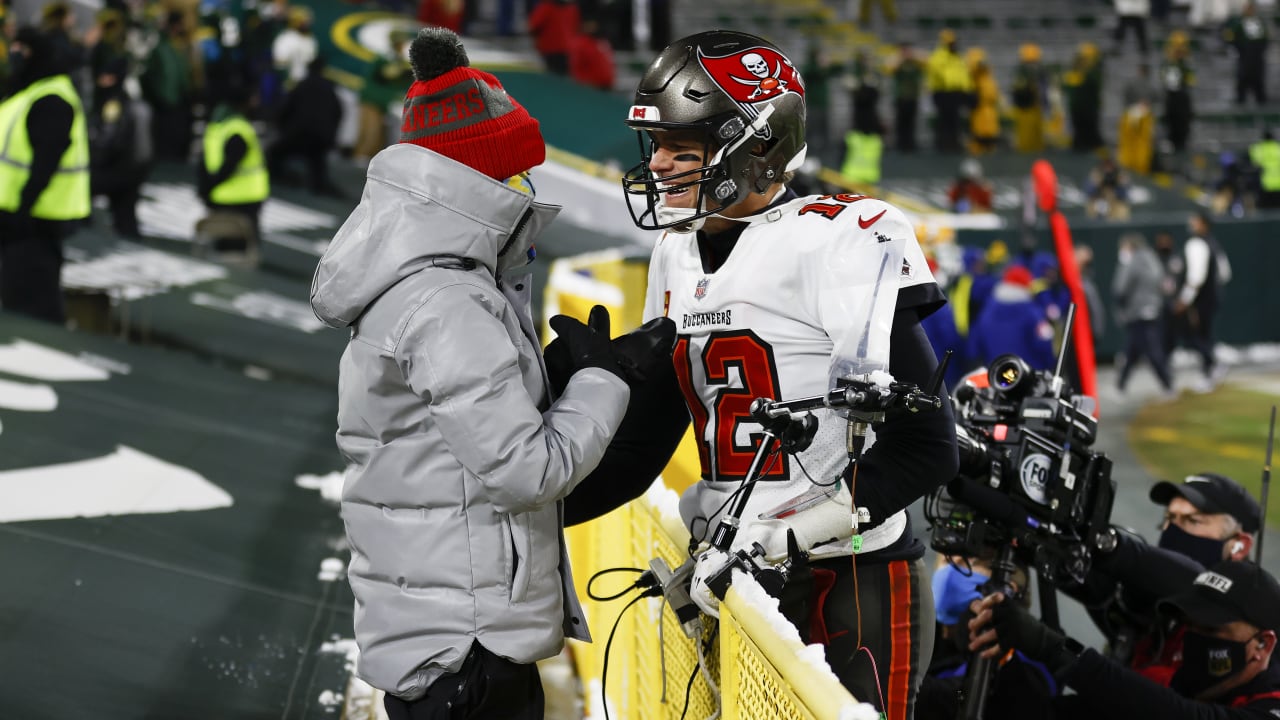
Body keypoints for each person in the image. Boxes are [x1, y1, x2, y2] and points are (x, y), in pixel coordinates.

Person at [310, 27, 667, 719]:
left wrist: (555, 382)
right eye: (513, 174)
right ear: (472, 184)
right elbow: (528, 471)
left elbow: (459, 443)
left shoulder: (425, 281)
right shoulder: (449, 300)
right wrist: (605, 380)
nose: (525, 189)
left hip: (438, 633)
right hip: (465, 648)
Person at [620, 30, 960, 718]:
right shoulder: (676, 254)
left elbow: (930, 447)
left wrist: (785, 537)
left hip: (850, 580)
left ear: (759, 149)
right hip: (734, 574)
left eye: (681, 150)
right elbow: (654, 432)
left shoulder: (838, 239)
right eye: (655, 146)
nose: (657, 166)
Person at [968, 560, 1280, 718]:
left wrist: (1047, 645)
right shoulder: (1185, 683)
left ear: (1262, 645)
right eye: (1190, 625)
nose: (1194, 639)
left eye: (1211, 630)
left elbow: (1177, 716)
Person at [0, 27, 90, 324]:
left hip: (34, 222)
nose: (16, 55)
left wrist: (24, 207)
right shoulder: (29, 90)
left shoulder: (51, 98)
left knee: (31, 307)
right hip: (16, 218)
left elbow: (46, 159)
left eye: (22, 49)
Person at [198, 86, 269, 249]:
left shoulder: (218, 126)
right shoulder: (239, 129)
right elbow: (229, 165)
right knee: (239, 245)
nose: (256, 103)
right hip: (242, 197)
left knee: (228, 244)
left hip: (225, 195)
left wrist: (206, 188)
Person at [267, 56, 343, 197]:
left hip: (299, 134)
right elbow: (338, 112)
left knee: (275, 153)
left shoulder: (302, 84)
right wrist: (331, 135)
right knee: (317, 160)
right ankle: (318, 186)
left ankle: (277, 177)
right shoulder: (329, 88)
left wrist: (281, 126)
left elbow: (286, 108)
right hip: (321, 137)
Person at [1174, 212, 1230, 392]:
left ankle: (1210, 369)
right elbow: (1225, 273)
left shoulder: (1196, 243)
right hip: (1212, 297)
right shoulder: (1213, 243)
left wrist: (1185, 299)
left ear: (1204, 224)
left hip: (1199, 300)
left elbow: (1196, 277)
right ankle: (1212, 368)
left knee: (1195, 336)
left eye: (1195, 221)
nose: (1191, 224)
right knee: (1205, 335)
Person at [1113, 233, 1175, 395]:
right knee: (1132, 350)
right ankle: (1121, 384)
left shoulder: (1132, 261)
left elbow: (1120, 288)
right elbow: (1164, 284)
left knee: (1151, 351)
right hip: (1153, 310)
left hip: (1138, 312)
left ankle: (1168, 384)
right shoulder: (1152, 258)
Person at [968, 264, 1057, 371]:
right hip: (1028, 377)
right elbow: (1045, 344)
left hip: (997, 377)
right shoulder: (1033, 313)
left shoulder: (986, 311)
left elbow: (974, 348)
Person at [1223, 1, 1269, 106]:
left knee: (1259, 84)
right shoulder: (1239, 22)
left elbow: (1265, 38)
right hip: (1244, 57)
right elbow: (1230, 36)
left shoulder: (1259, 22)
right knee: (1242, 83)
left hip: (1257, 58)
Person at [891, 41, 924, 153]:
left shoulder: (915, 64)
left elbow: (926, 63)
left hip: (912, 96)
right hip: (901, 96)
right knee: (901, 122)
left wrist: (914, 56)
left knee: (911, 122)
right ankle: (901, 144)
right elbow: (890, 69)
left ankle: (910, 144)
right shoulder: (898, 62)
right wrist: (901, 58)